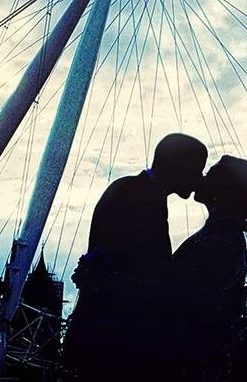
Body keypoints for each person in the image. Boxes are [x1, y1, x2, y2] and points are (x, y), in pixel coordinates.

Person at [61, 133, 208, 380]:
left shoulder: (134, 191)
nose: (198, 180)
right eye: (197, 170)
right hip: (114, 346)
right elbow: (136, 276)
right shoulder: (140, 199)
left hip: (103, 340)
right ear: (179, 167)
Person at [171, 155, 247, 381]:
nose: (202, 176)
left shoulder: (219, 242)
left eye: (210, 173)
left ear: (223, 188)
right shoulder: (226, 238)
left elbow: (190, 306)